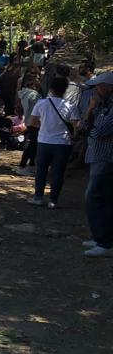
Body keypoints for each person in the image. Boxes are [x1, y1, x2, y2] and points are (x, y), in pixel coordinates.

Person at [28, 76, 75, 209]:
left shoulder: (41, 103)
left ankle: (38, 197)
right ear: (65, 90)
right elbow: (76, 125)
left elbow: (32, 122)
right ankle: (53, 200)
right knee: (58, 172)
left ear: (51, 89)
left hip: (44, 141)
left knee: (41, 170)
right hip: (63, 143)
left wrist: (43, 126)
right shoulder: (70, 106)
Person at [80, 71, 113, 257]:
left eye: (99, 87)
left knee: (95, 197)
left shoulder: (108, 108)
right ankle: (99, 236)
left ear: (108, 88)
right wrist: (91, 111)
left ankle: (105, 241)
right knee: (99, 198)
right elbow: (83, 128)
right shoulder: (103, 106)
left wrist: (92, 109)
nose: (96, 91)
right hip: (96, 156)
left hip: (106, 158)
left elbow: (100, 130)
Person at [16, 70, 41, 176]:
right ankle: (22, 165)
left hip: (28, 120)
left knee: (32, 144)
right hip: (35, 122)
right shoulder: (34, 95)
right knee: (31, 145)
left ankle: (31, 164)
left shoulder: (21, 93)